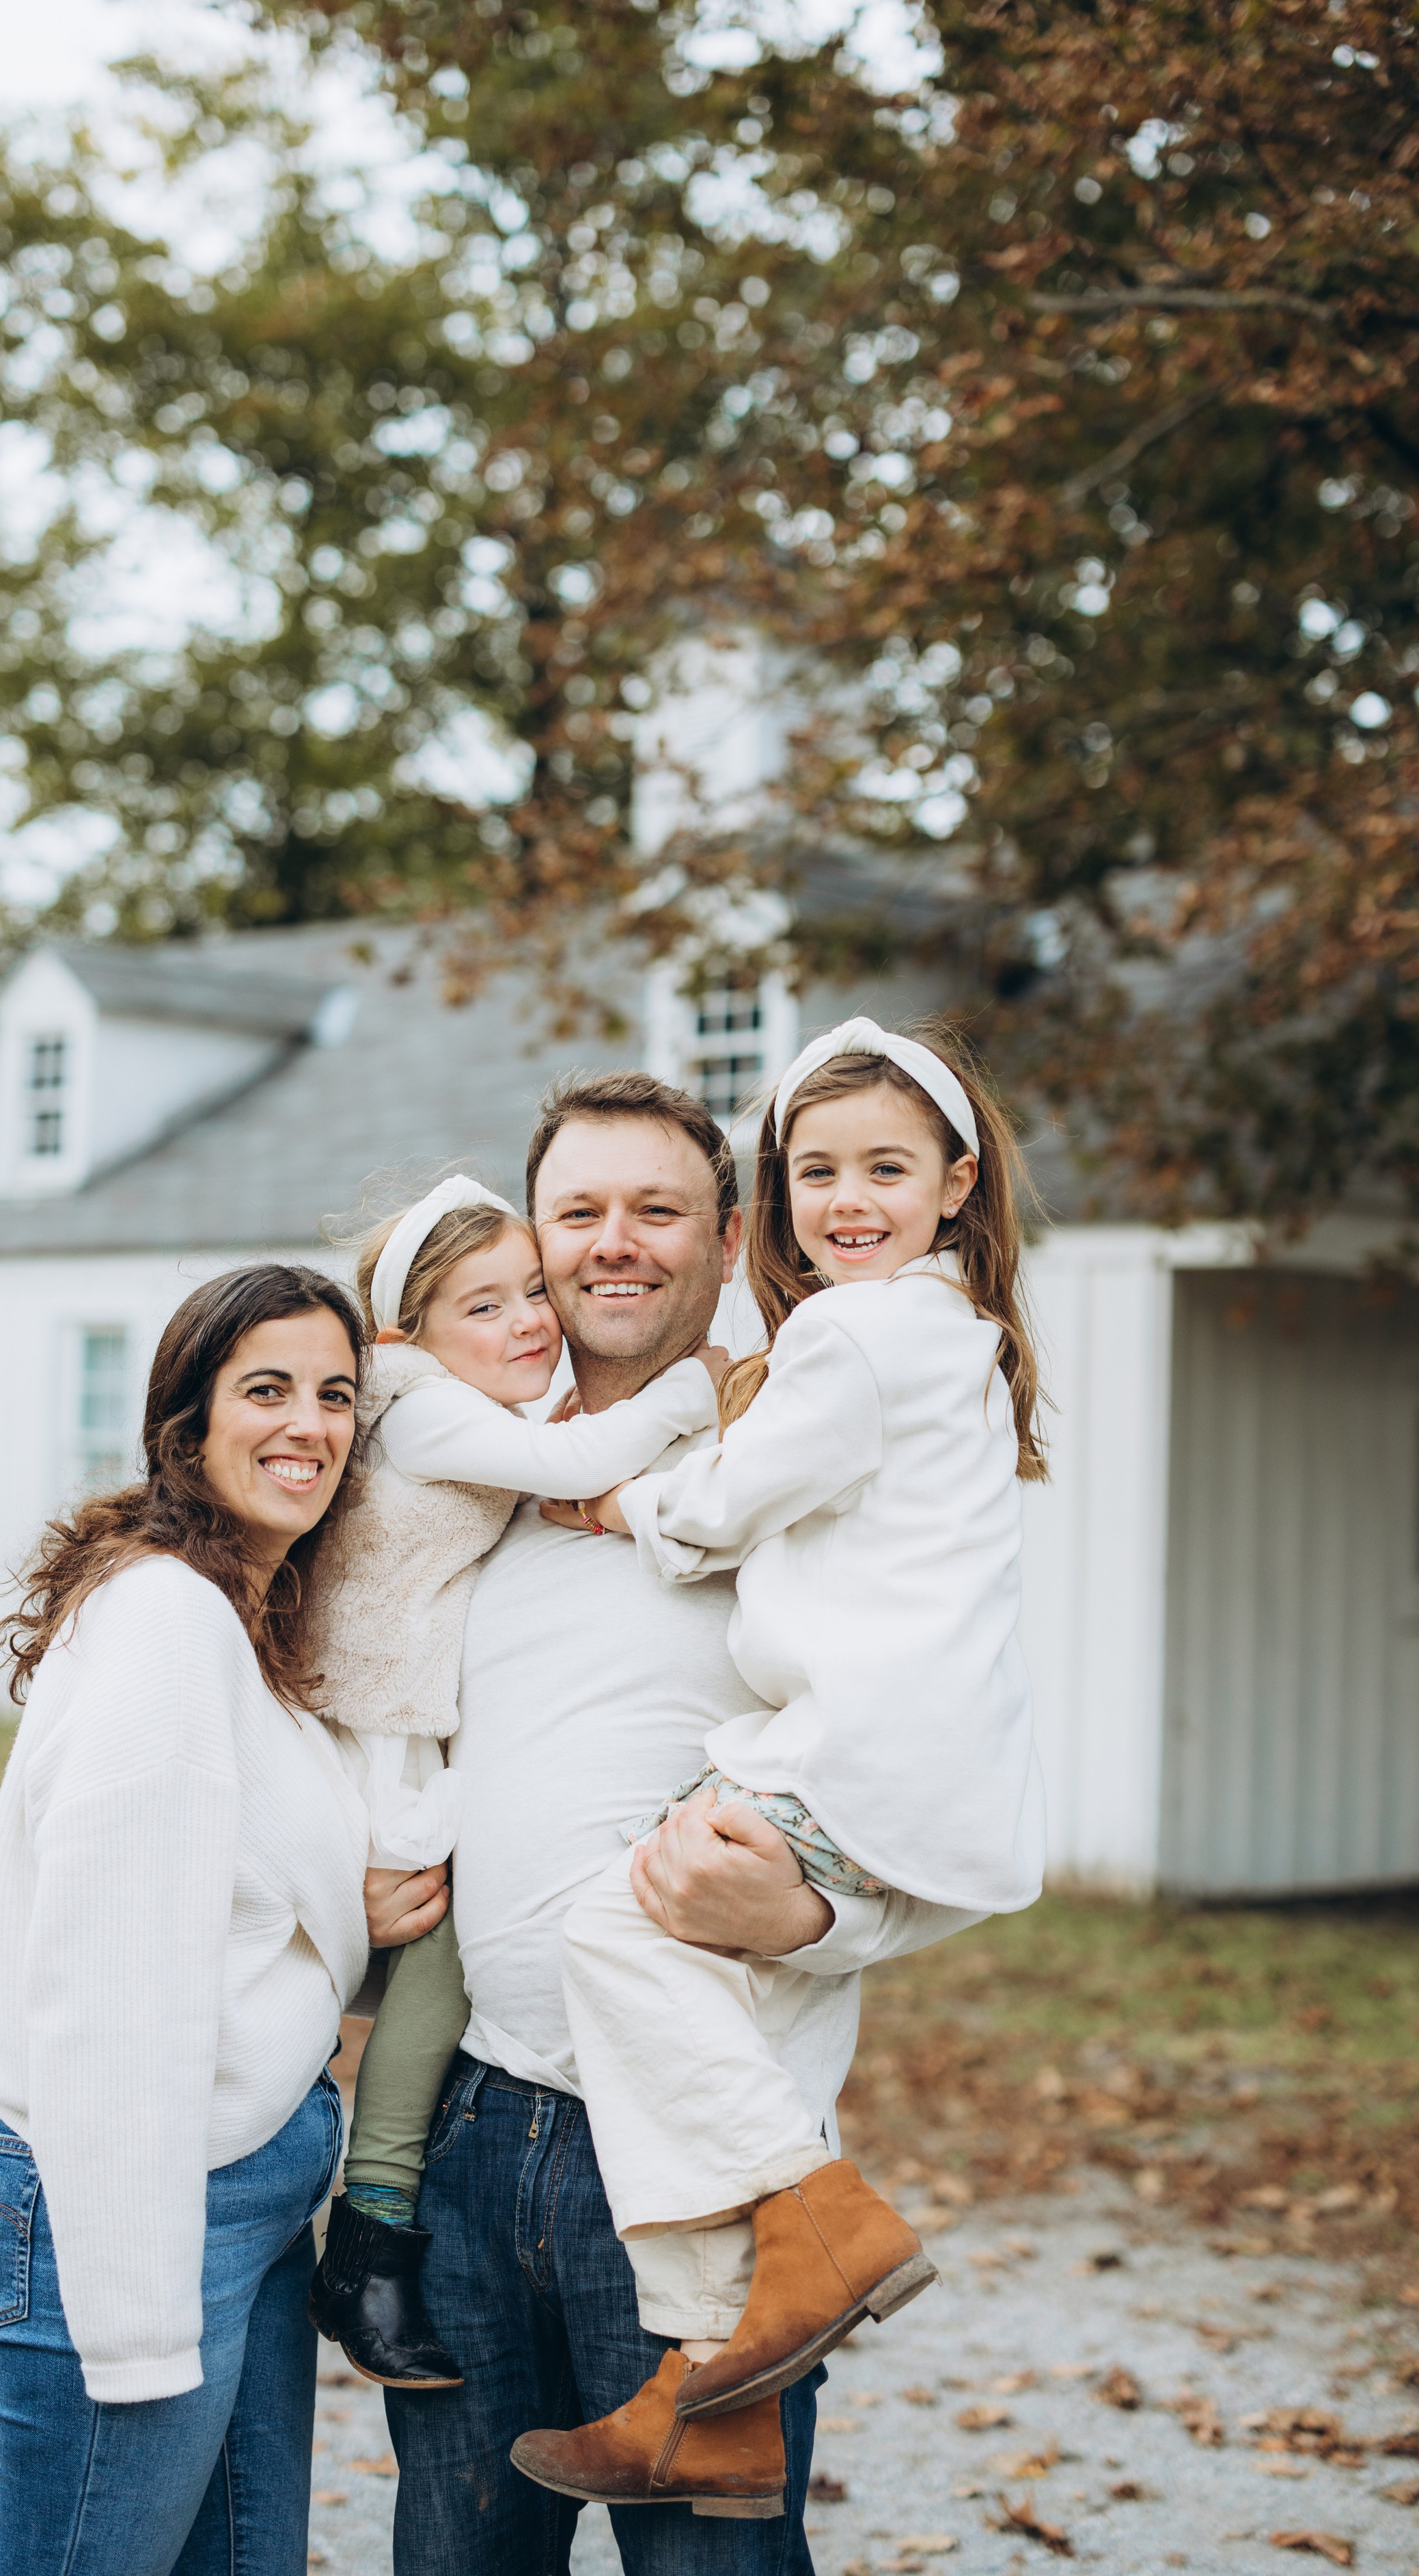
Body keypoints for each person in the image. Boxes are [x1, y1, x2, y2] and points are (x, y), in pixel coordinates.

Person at [385, 1071, 978, 2574]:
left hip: (685, 2176)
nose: (613, 1243)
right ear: (531, 1238)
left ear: (728, 1240)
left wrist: (823, 1914)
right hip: (466, 2128)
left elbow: (929, 1760)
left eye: (658, 1210)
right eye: (576, 1211)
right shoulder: (473, 1478)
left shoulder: (795, 1456)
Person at [510, 1017, 1047, 2517]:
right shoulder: (955, 1337)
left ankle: (825, 2223)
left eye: (883, 1167)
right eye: (817, 1170)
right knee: (684, 1976)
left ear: (955, 1184)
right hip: (914, 1762)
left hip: (848, 1749)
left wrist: (632, 1509)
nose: (846, 1200)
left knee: (617, 1925)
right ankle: (713, 2404)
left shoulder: (855, 1332)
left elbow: (741, 1494)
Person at [0, 1263, 441, 2576]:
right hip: (131, 2206)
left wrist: (341, 1923)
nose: (310, 1424)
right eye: (266, 1389)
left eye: (339, 1394)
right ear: (189, 1421)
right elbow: (108, 1987)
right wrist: (133, 2326)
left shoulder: (237, 1615)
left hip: (252, 2188)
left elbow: (220, 1903)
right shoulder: (167, 1619)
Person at [303, 1173, 718, 2386]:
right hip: (375, 1714)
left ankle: (365, 2229)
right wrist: (701, 1386)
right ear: (405, 1339)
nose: (529, 1321)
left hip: (409, 1712)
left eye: (532, 1289)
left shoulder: (462, 1401)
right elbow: (580, 1455)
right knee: (423, 1938)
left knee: (440, 1946)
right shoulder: (423, 1411)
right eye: (484, 1307)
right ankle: (354, 2221)